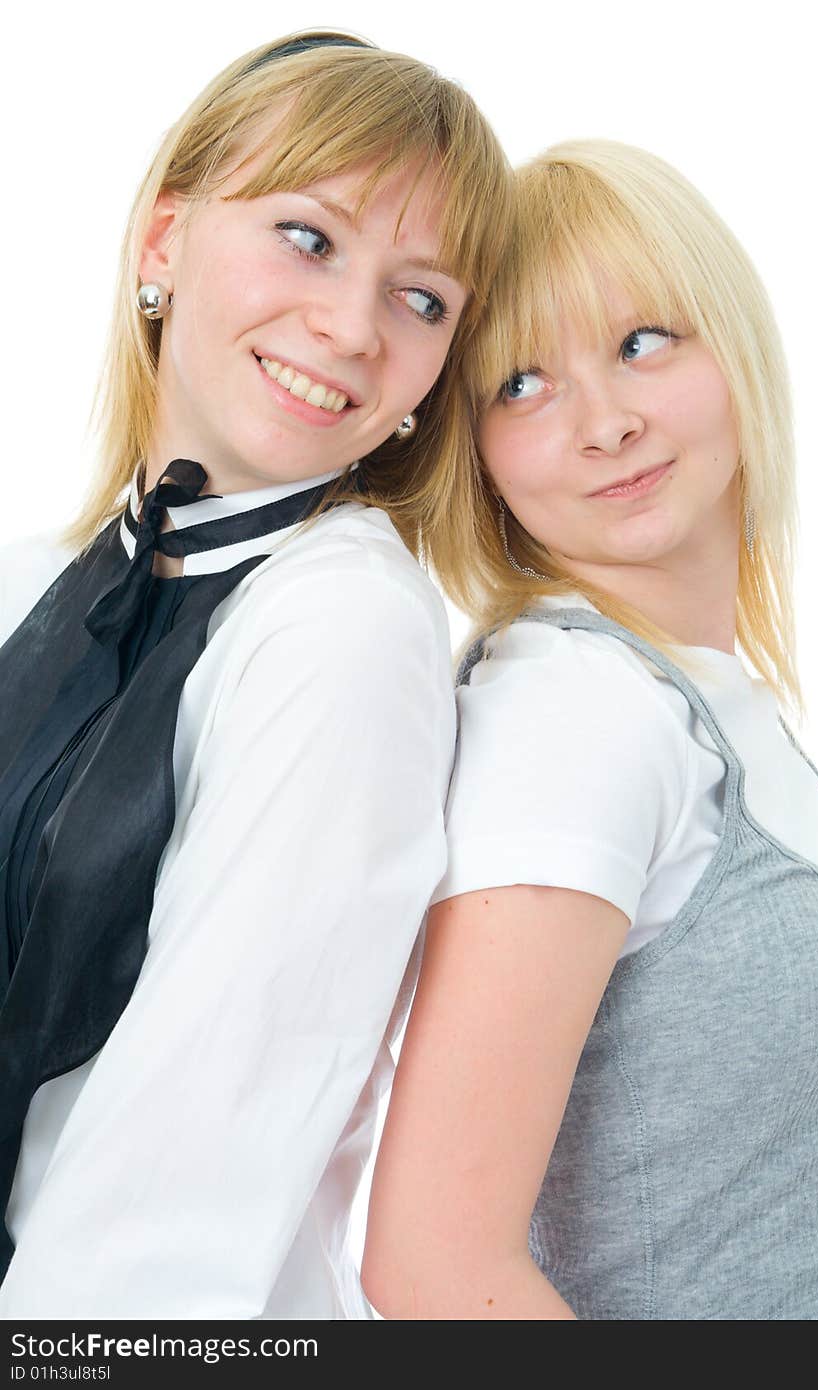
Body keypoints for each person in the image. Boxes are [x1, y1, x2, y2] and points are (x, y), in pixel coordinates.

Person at [0, 30, 510, 1318]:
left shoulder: (338, 633)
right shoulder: (44, 579)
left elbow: (175, 1200)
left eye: (421, 297)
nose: (348, 327)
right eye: (309, 236)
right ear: (162, 241)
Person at [362, 140, 818, 1320]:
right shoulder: (575, 715)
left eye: (643, 342)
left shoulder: (706, 699)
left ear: (734, 343)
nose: (603, 424)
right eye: (522, 385)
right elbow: (438, 1270)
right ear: (474, 453)